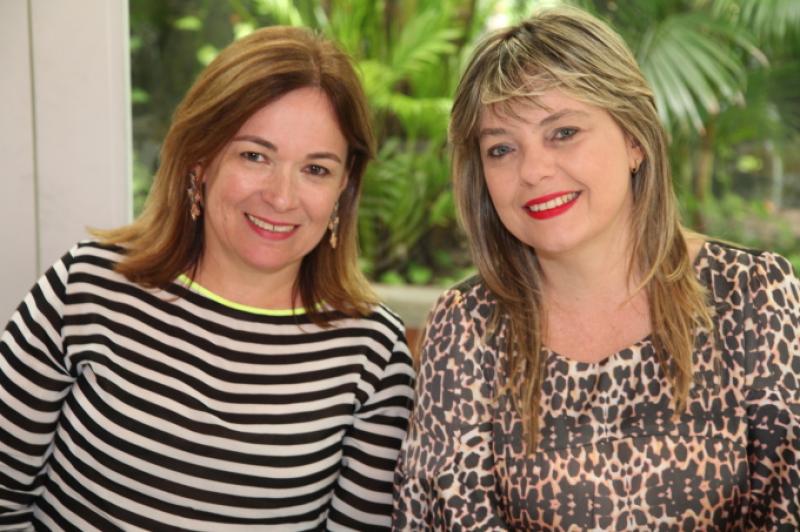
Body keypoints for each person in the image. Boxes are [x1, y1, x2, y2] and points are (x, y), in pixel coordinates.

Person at [393, 6, 799, 530]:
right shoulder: (467, 326)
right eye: (501, 148)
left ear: (634, 139)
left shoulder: (754, 295)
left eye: (563, 132)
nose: (533, 170)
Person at [0, 26, 414, 531]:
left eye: (316, 169)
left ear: (343, 188)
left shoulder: (374, 353)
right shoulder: (88, 287)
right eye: (255, 156)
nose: (282, 197)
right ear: (200, 161)